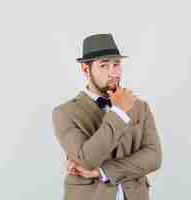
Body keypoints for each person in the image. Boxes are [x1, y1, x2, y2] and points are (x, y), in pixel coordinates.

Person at [52, 33, 162, 200]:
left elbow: (153, 157)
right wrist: (118, 112)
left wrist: (101, 171)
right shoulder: (65, 113)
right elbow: (87, 159)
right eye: (104, 66)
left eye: (116, 64)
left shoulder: (140, 107)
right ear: (85, 69)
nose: (113, 73)